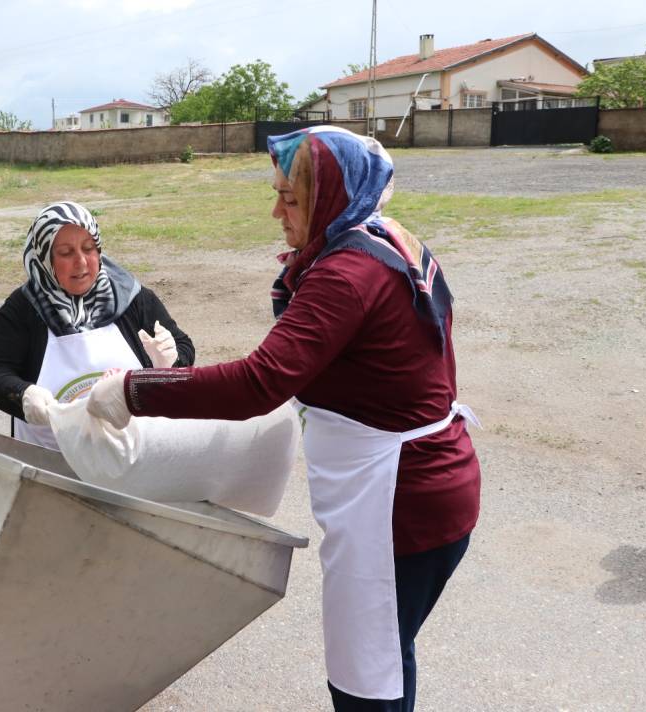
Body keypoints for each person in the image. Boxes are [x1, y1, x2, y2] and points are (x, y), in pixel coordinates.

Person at [87, 126, 481, 711]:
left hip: (397, 502)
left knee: (365, 679)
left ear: (331, 198)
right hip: (428, 481)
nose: (276, 211)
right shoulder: (379, 235)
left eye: (290, 198)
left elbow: (259, 383)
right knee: (388, 657)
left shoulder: (346, 274)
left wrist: (133, 390)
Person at [0, 200, 194, 450]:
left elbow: (183, 345)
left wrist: (170, 363)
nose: (81, 262)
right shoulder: (21, 310)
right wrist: (23, 394)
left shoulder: (131, 297)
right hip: (52, 462)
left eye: (89, 248)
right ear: (44, 257)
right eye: (66, 253)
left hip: (134, 457)